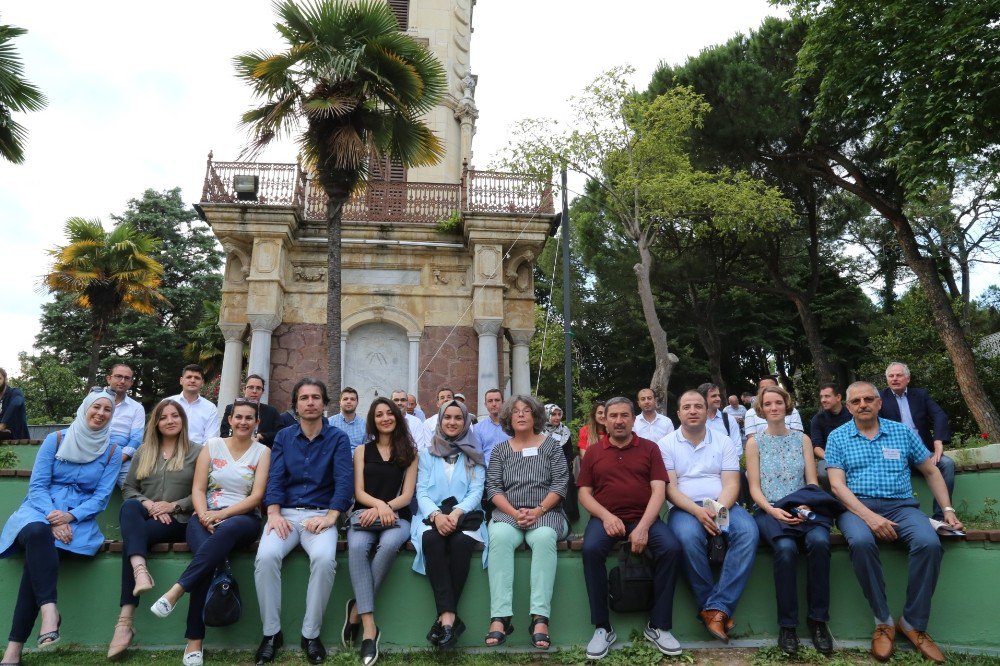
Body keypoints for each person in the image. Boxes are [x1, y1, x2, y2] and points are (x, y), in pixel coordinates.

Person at [826, 381, 963, 664]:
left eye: (868, 399)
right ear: (849, 407)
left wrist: (947, 508)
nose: (862, 404)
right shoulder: (837, 437)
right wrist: (870, 517)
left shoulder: (901, 432)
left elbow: (931, 471)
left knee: (929, 543)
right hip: (856, 508)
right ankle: (883, 621)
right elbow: (838, 488)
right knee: (862, 542)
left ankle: (912, 623)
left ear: (879, 403)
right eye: (856, 401)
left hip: (901, 506)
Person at [0, 390, 121, 666]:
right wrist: (54, 516)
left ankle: (14, 649)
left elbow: (101, 497)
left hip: (76, 521)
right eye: (96, 407)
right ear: (85, 408)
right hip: (37, 510)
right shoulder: (56, 440)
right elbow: (38, 485)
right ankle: (50, 611)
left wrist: (70, 517)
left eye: (107, 410)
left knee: (37, 562)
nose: (101, 413)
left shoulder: (112, 451)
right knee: (38, 533)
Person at [149, 398, 270, 666]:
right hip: (202, 516)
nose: (243, 422)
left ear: (256, 422)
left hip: (242, 519)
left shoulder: (262, 452)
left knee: (217, 542)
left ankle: (177, 592)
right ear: (230, 420)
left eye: (249, 418)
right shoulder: (212, 446)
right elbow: (198, 489)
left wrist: (222, 515)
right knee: (207, 559)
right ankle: (195, 643)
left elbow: (257, 495)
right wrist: (204, 514)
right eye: (238, 417)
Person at [255, 378, 353, 665]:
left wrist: (331, 517)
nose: (310, 402)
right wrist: (273, 513)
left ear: (324, 403)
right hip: (285, 514)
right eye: (304, 398)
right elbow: (276, 478)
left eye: (316, 397)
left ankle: (310, 634)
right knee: (266, 556)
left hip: (322, 515)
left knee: (324, 560)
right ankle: (271, 634)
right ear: (295, 404)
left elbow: (344, 482)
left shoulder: (338, 438)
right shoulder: (284, 437)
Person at [578, 396, 682, 660]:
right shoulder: (593, 452)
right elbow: (585, 494)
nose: (619, 421)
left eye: (624, 415)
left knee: (670, 548)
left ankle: (659, 625)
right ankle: (602, 627)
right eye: (613, 416)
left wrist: (644, 525)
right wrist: (606, 516)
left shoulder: (649, 449)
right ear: (605, 420)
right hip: (605, 519)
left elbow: (659, 490)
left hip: (643, 517)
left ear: (633, 419)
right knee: (590, 551)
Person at [660, 390, 758, 644]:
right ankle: (716, 610)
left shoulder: (723, 441)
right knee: (687, 536)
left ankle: (716, 608)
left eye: (698, 406)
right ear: (678, 413)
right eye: (687, 407)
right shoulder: (666, 444)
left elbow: (731, 483)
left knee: (748, 532)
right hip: (684, 508)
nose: (693, 411)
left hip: (722, 505)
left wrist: (716, 510)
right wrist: (696, 511)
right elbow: (670, 488)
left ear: (707, 411)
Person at [745, 385, 834, 656]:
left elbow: (811, 479)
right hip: (769, 509)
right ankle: (788, 626)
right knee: (785, 550)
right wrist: (772, 511)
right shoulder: (754, 442)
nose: (774, 408)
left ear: (787, 405)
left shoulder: (803, 439)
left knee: (819, 542)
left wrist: (807, 502)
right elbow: (754, 488)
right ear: (761, 408)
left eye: (778, 403)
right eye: (768, 404)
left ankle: (818, 621)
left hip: (803, 507)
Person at [110, 399, 201, 659]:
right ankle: (141, 572)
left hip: (179, 521)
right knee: (129, 509)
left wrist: (172, 506)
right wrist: (150, 505)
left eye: (175, 415)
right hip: (148, 518)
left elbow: (203, 491)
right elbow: (128, 489)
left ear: (183, 420)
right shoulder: (144, 451)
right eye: (164, 417)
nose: (170, 420)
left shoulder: (197, 452)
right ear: (156, 423)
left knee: (132, 541)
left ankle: (125, 621)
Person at [485, 396, 569, 650]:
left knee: (543, 539)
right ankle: (500, 617)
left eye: (527, 411)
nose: (521, 415)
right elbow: (493, 487)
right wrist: (513, 512)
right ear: (509, 418)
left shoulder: (552, 447)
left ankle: (540, 618)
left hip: (547, 513)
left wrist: (538, 510)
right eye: (516, 412)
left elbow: (561, 483)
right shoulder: (501, 450)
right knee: (498, 537)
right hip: (507, 515)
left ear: (535, 417)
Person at [343, 397, 418, 666]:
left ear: (397, 418)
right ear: (372, 421)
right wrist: (378, 506)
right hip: (365, 516)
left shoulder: (409, 452)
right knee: (356, 548)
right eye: (379, 415)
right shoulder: (362, 451)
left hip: (398, 517)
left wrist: (387, 508)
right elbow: (359, 491)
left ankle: (355, 611)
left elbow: (407, 495)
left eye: (390, 413)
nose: (385, 418)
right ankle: (370, 629)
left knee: (388, 546)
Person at [411, 399, 487, 650]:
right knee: (432, 539)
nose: (452, 422)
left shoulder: (474, 451)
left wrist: (455, 514)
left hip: (465, 516)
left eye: (458, 418)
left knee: (460, 542)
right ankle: (450, 619)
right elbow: (421, 492)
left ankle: (445, 619)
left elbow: (477, 491)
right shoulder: (427, 453)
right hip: (432, 516)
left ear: (465, 422)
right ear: (440, 421)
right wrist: (436, 516)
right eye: (447, 417)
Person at [879, 362, 955, 521]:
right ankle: (895, 517)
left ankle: (942, 516)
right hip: (894, 453)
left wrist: (938, 440)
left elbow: (940, 415)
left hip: (922, 452)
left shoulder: (920, 395)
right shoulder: (879, 399)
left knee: (947, 464)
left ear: (907, 378)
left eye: (899, 375)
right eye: (891, 376)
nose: (894, 379)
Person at [104, 363, 146, 486]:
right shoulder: (94, 400)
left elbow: (136, 439)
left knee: (133, 488)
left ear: (131, 383)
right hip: (92, 452)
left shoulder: (137, 408)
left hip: (121, 457)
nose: (122, 381)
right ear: (109, 378)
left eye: (127, 378)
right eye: (118, 376)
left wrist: (118, 459)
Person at [220, 374, 283, 446]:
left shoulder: (271, 411)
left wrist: (261, 436)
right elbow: (224, 433)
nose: (254, 391)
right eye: (251, 387)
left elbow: (280, 433)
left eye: (258, 388)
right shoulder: (231, 408)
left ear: (262, 391)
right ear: (244, 389)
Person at [542, 403, 579, 524]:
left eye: (559, 414)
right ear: (546, 415)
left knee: (566, 481)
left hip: (562, 467)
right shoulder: (538, 432)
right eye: (553, 414)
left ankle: (568, 518)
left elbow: (569, 454)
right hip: (543, 468)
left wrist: (558, 464)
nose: (557, 417)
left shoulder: (565, 431)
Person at [809, 383, 852, 486]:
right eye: (821, 397)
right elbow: (816, 447)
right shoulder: (818, 419)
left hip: (852, 455)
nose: (823, 400)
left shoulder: (852, 415)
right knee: (823, 473)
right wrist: (831, 458)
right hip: (829, 457)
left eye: (827, 396)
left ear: (838, 397)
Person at [167, 364, 218, 445]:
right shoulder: (167, 403)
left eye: (197, 378)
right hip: (169, 451)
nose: (192, 380)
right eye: (189, 377)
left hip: (198, 455)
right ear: (181, 380)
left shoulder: (210, 408)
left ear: (202, 382)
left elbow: (211, 440)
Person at [698, 383, 742, 452]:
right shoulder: (695, 420)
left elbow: (737, 447)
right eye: (714, 396)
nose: (718, 399)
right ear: (703, 398)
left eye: (719, 395)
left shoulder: (729, 419)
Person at [328, 386, 366, 455]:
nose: (349, 401)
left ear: (357, 402)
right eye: (345, 399)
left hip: (358, 463)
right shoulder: (330, 423)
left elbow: (367, 449)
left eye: (352, 399)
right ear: (340, 402)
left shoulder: (364, 425)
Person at [473, 388, 506, 465]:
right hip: (488, 473)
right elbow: (477, 455)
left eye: (497, 400)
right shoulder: (478, 428)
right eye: (490, 401)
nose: (494, 404)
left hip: (511, 472)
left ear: (503, 403)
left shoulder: (513, 426)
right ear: (485, 404)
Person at [0, 367, 29, 441]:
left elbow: (16, 403)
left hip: (18, 440)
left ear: (5, 379)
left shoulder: (15, 392)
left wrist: (3, 424)